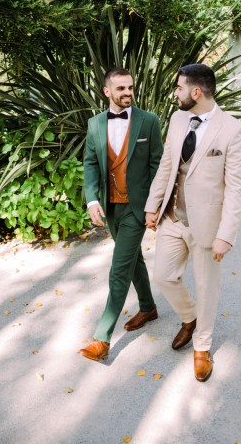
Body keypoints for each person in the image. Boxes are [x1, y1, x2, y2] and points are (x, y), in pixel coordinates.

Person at [145, 63, 241, 382]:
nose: (174, 93)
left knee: (206, 288)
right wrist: (153, 205)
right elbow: (167, 164)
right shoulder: (178, 119)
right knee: (164, 276)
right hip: (173, 217)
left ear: (196, 92)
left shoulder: (233, 130)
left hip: (207, 225)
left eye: (178, 88)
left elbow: (237, 187)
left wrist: (225, 236)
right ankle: (189, 318)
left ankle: (202, 346)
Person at [78, 67, 163, 362]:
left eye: (130, 87)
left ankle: (102, 338)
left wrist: (155, 206)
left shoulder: (149, 122)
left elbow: (158, 167)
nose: (127, 93)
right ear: (107, 92)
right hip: (110, 207)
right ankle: (149, 307)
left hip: (137, 208)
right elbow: (90, 163)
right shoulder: (94, 125)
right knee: (132, 259)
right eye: (121, 89)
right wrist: (91, 200)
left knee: (118, 268)